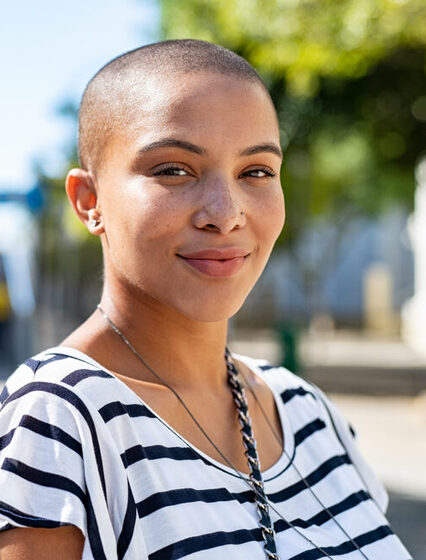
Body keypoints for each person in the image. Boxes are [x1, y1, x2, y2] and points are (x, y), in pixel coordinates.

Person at [0, 40, 411, 560]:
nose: (225, 212)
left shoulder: (306, 410)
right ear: (90, 201)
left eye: (256, 171)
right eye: (174, 170)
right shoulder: (59, 421)